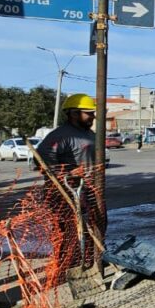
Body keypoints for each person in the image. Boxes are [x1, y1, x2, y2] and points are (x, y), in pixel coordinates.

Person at [37, 93, 100, 272]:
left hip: (90, 191)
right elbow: (42, 162)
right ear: (74, 113)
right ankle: (66, 268)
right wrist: (70, 174)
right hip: (65, 194)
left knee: (92, 228)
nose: (93, 116)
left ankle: (89, 261)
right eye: (89, 113)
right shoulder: (60, 135)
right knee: (69, 232)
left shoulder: (89, 133)